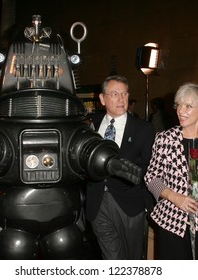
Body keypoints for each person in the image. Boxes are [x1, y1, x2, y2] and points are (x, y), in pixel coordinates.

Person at [144, 82, 198, 259]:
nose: (181, 110)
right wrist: (175, 197)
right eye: (179, 105)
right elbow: (151, 177)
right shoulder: (165, 139)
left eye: (188, 106)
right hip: (172, 220)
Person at [85, 75, 156, 259]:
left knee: (132, 258)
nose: (121, 99)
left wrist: (148, 205)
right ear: (102, 99)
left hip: (129, 205)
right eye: (115, 94)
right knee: (111, 258)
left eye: (124, 94)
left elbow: (150, 168)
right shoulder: (89, 125)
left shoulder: (144, 129)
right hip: (97, 202)